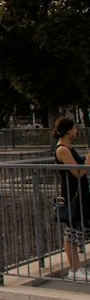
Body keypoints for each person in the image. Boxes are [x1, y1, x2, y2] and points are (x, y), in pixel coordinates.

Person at [54, 117, 90, 273]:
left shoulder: (68, 148)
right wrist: (89, 159)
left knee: (75, 231)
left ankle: (77, 267)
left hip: (79, 192)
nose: (76, 131)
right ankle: (74, 269)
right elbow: (78, 172)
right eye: (75, 128)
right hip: (72, 193)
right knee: (71, 232)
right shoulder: (62, 149)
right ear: (68, 131)